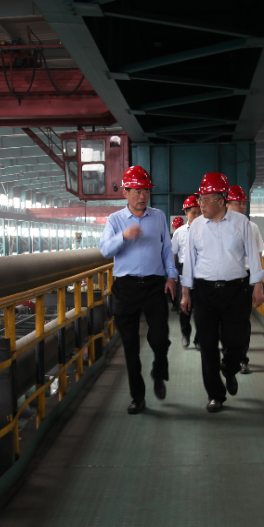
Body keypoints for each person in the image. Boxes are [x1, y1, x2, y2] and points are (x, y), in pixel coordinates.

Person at [180, 172, 264, 413]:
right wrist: (186, 293)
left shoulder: (242, 224)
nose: (201, 205)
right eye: (201, 200)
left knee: (235, 341)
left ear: (221, 201)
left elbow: (253, 256)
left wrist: (258, 286)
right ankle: (215, 395)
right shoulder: (196, 226)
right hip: (204, 292)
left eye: (206, 200)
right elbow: (189, 262)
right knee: (207, 346)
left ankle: (229, 369)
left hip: (235, 291)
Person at [98, 166, 178, 415]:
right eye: (137, 191)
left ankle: (159, 370)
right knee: (130, 346)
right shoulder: (115, 220)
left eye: (145, 191)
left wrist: (172, 276)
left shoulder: (158, 217)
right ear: (125, 193)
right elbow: (105, 250)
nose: (142, 196)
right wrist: (123, 236)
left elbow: (167, 249)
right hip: (126, 289)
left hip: (154, 285)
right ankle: (138, 397)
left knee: (160, 338)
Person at [226, 184, 263, 374]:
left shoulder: (252, 227)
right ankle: (228, 355)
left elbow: (258, 256)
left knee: (242, 320)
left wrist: (258, 285)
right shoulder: (219, 226)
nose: (242, 207)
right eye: (238, 203)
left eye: (243, 203)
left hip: (246, 277)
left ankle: (242, 359)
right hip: (225, 277)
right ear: (227, 204)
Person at [173, 195, 202, 348]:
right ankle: (186, 333)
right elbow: (173, 254)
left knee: (201, 307)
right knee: (184, 305)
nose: (197, 216)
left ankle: (199, 339)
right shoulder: (179, 232)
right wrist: (173, 275)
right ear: (186, 213)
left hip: (202, 270)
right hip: (184, 270)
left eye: (199, 212)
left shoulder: (207, 229)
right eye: (193, 213)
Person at [169, 216, 186, 314]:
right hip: (174, 266)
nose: (175, 230)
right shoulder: (170, 237)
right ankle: (175, 305)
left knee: (181, 287)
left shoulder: (184, 233)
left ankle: (180, 307)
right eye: (175, 228)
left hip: (182, 265)